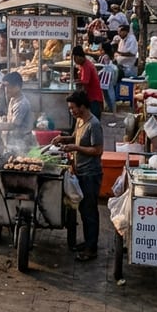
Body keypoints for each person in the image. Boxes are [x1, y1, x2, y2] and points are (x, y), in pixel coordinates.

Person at [56, 91, 103, 262]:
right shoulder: (80, 121)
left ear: (82, 106)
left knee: (90, 211)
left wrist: (75, 149)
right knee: (84, 210)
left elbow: (97, 150)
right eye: (70, 108)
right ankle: (89, 242)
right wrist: (64, 139)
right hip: (80, 171)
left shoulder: (94, 124)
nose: (71, 111)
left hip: (91, 174)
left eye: (73, 108)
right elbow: (76, 138)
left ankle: (91, 249)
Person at [0, 72, 33, 152]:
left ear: (17, 87)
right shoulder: (13, 99)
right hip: (14, 140)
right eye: (5, 87)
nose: (6, 90)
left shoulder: (22, 104)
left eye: (8, 86)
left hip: (22, 142)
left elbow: (13, 126)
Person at [70, 46, 104, 120]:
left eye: (75, 58)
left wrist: (74, 82)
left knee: (93, 121)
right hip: (92, 97)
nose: (75, 61)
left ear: (79, 57)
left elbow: (85, 82)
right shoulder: (83, 65)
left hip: (94, 98)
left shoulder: (86, 66)